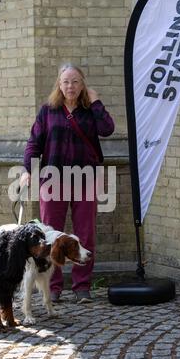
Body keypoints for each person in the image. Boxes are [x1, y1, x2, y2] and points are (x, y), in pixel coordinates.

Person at [20, 63, 115, 303]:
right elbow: (34, 143)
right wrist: (27, 169)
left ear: (82, 85)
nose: (70, 86)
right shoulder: (48, 111)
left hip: (85, 179)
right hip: (53, 180)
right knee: (51, 234)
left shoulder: (89, 110)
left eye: (75, 81)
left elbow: (108, 129)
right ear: (59, 85)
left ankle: (82, 286)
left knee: (85, 233)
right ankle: (53, 286)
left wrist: (96, 103)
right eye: (66, 82)